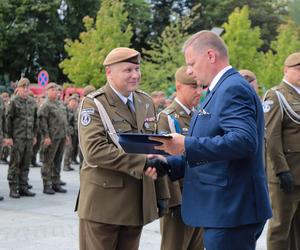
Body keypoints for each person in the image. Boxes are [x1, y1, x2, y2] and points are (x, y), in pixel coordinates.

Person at [145, 30, 272, 250]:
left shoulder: (231, 89)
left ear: (211, 56)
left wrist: (185, 144)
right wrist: (169, 163)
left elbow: (243, 141)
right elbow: (215, 150)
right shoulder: (220, 90)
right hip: (224, 208)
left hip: (232, 210)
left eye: (192, 63)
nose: (189, 70)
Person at [76, 47, 168, 250]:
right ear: (109, 72)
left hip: (136, 204)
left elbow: (154, 148)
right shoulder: (95, 104)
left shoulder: (145, 101)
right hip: (104, 206)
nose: (135, 75)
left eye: (137, 69)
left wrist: (161, 194)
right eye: (128, 70)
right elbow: (94, 151)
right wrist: (143, 162)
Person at [158, 66, 204, 250]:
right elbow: (164, 161)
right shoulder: (167, 118)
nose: (199, 92)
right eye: (194, 87)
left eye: (201, 87)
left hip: (201, 195)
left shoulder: (200, 115)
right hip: (180, 199)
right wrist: (173, 201)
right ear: (179, 87)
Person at [263, 52, 300, 250]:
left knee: (297, 230)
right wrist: (281, 170)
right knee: (280, 229)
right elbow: (272, 137)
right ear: (286, 70)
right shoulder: (276, 95)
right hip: (285, 174)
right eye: (298, 68)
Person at [6, 78, 37, 198]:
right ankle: (13, 188)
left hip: (29, 138)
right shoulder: (13, 102)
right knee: (15, 163)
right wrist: (8, 136)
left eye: (27, 87)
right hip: (17, 138)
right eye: (23, 87)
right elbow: (8, 120)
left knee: (25, 163)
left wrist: (34, 135)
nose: (25, 89)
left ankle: (23, 187)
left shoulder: (31, 102)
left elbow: (35, 120)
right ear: (18, 88)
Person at [38, 83, 69, 194]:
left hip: (60, 137)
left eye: (56, 90)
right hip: (51, 138)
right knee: (48, 161)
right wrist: (46, 136)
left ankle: (56, 183)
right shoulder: (46, 105)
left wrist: (66, 135)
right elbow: (42, 122)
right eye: (52, 90)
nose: (55, 91)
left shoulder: (60, 103)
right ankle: (47, 185)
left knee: (58, 160)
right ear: (47, 91)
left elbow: (64, 121)